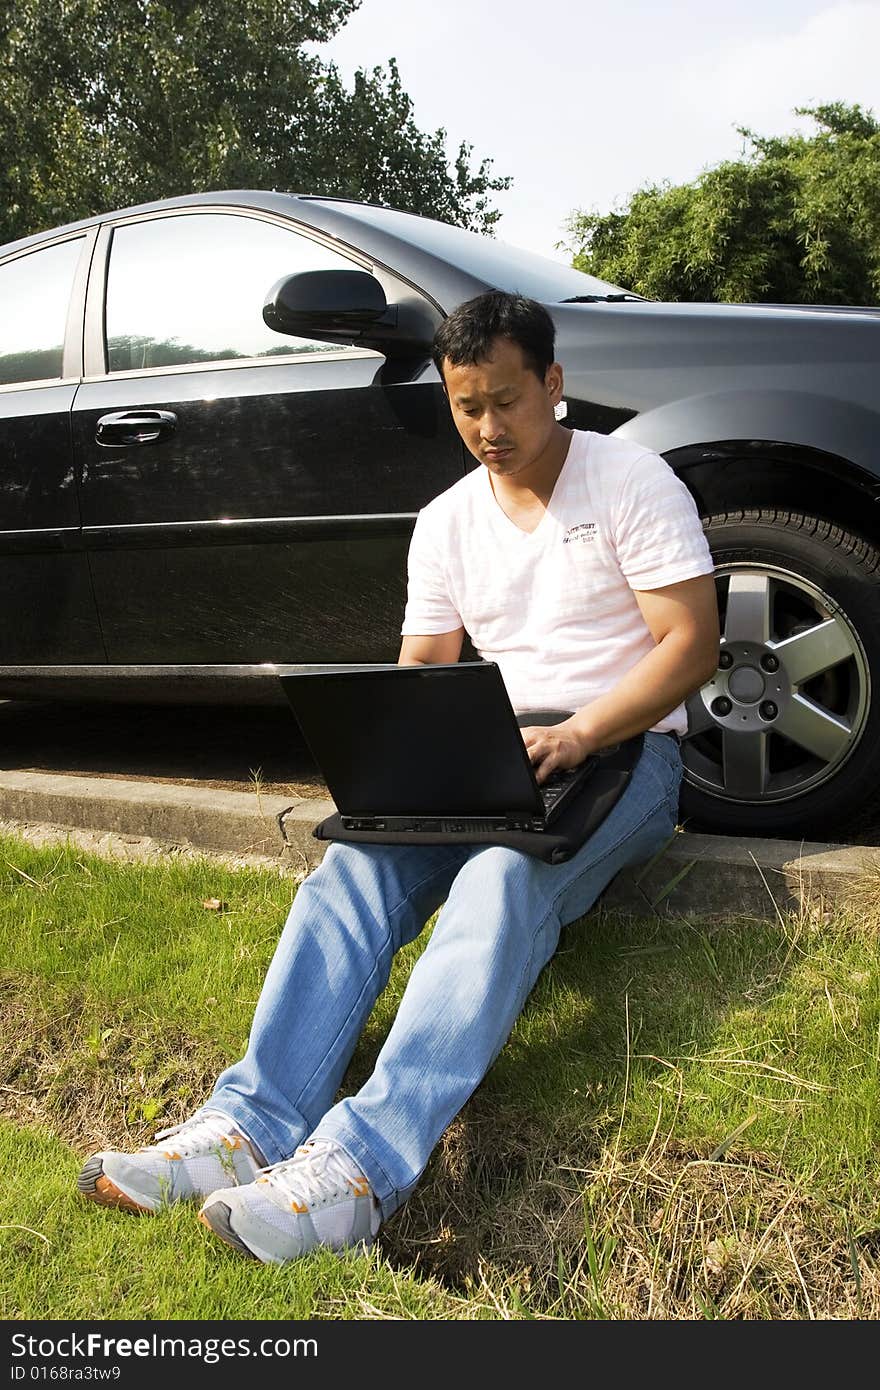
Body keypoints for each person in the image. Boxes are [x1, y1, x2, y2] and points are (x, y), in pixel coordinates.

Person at [77, 290, 719, 1265]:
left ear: (552, 383)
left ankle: (356, 1173)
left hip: (624, 750)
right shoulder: (446, 520)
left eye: (506, 400)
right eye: (466, 407)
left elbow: (689, 646)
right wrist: (393, 755)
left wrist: (583, 732)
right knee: (352, 870)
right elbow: (425, 669)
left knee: (503, 877)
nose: (488, 428)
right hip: (488, 744)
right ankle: (243, 1129)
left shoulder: (630, 479)